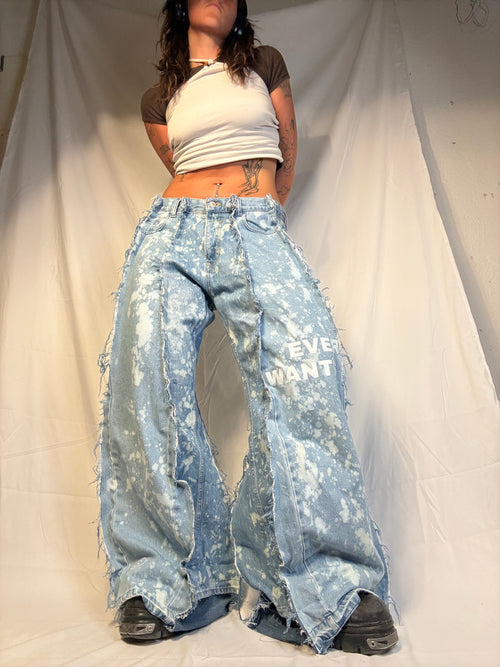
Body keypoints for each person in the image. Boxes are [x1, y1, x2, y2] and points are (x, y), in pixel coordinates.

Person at [97, 0, 398, 656]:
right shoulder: (159, 99)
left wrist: (263, 211)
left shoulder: (263, 65)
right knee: (145, 383)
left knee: (304, 374)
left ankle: (323, 581)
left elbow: (287, 146)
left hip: (254, 224)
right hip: (171, 233)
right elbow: (181, 167)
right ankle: (166, 579)